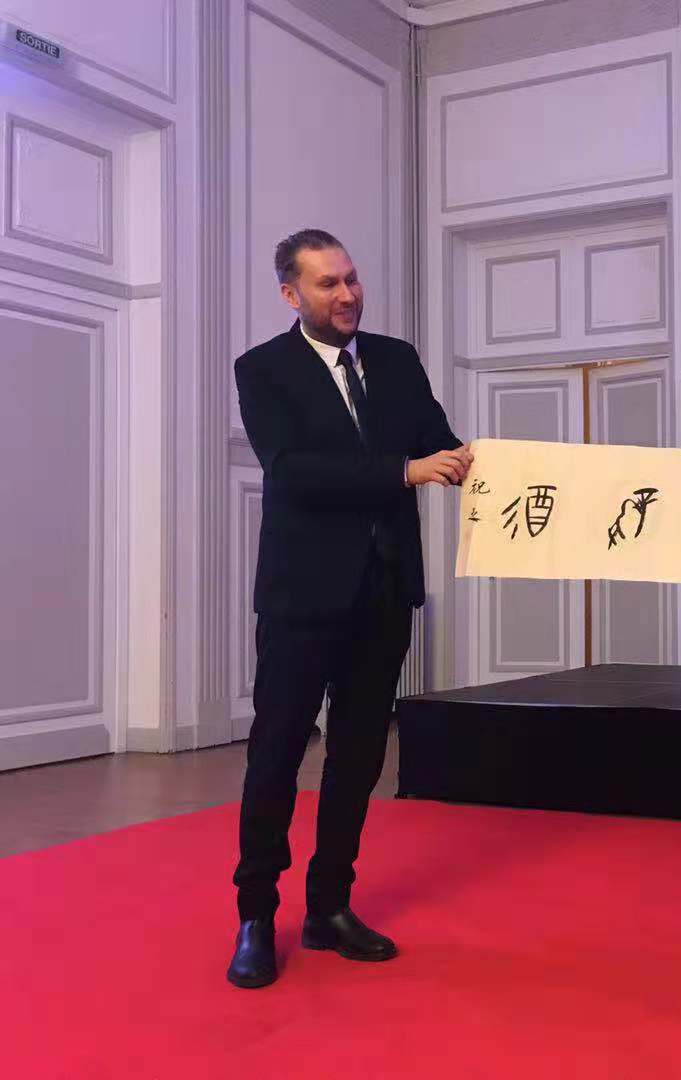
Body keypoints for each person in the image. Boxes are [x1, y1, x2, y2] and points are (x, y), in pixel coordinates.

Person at [226, 229, 474, 989]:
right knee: (276, 756)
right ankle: (256, 916)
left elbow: (439, 441)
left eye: (352, 279)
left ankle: (329, 905)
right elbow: (293, 471)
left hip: (383, 592)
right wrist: (405, 472)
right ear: (291, 293)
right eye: (328, 284)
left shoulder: (396, 359)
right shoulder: (262, 369)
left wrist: (497, 466)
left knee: (360, 757)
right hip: (301, 598)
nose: (347, 295)